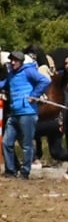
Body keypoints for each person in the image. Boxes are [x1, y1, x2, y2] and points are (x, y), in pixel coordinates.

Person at [2, 50, 47, 178]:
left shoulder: (28, 71)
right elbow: (3, 84)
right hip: (14, 113)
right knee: (6, 142)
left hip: (28, 113)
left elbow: (44, 81)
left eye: (15, 60)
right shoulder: (11, 74)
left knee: (27, 145)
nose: (12, 62)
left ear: (21, 61)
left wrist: (35, 95)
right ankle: (10, 170)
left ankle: (25, 172)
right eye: (11, 60)